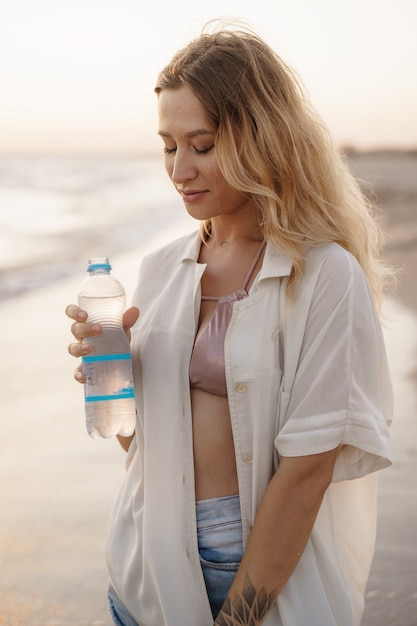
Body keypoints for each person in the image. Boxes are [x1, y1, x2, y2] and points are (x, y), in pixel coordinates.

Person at [66, 23, 393, 626]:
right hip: (145, 566)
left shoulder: (324, 275)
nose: (179, 169)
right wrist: (106, 375)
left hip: (258, 571)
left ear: (261, 137)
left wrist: (236, 619)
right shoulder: (162, 270)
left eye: (203, 144)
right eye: (168, 145)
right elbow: (142, 447)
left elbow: (307, 470)